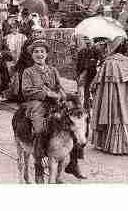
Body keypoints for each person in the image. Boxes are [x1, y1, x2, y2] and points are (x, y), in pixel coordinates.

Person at [21, 39, 86, 179]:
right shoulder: (28, 72)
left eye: (42, 52)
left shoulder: (53, 70)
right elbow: (26, 91)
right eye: (36, 52)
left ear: (46, 54)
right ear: (32, 55)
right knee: (39, 129)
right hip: (37, 105)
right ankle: (38, 164)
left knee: (75, 125)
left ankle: (73, 163)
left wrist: (68, 96)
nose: (39, 54)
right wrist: (46, 94)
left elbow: (59, 87)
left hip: (55, 104)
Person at [91, 36, 128, 155]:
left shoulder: (109, 62)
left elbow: (99, 82)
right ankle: (123, 145)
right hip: (123, 95)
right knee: (122, 116)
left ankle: (108, 144)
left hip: (109, 95)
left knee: (110, 115)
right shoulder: (127, 61)